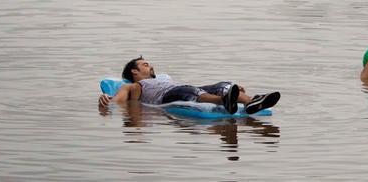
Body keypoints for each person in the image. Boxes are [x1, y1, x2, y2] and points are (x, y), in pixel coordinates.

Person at [98, 57, 281, 114]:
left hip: (184, 87)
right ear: (134, 72)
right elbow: (117, 102)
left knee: (224, 84)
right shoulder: (133, 86)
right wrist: (108, 100)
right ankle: (224, 100)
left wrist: (234, 90)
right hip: (169, 95)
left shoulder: (163, 78)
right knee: (192, 92)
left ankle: (252, 101)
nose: (151, 66)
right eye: (145, 64)